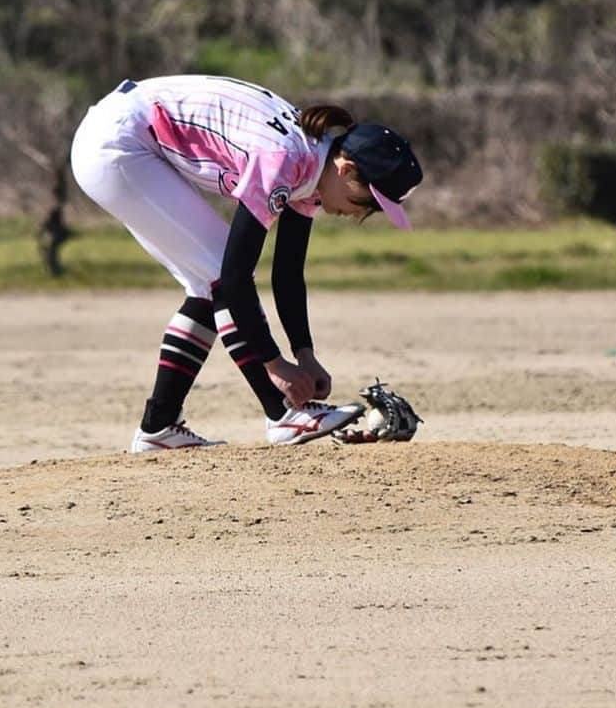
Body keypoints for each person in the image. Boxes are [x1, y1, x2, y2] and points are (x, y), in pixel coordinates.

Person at [71, 74, 423, 452]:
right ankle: (283, 415)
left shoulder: (311, 164)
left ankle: (159, 426)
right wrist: (276, 367)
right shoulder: (283, 159)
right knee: (219, 274)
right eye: (367, 201)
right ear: (346, 168)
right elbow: (235, 277)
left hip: (128, 134)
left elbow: (287, 274)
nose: (362, 213)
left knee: (207, 283)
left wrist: (304, 354)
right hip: (116, 141)